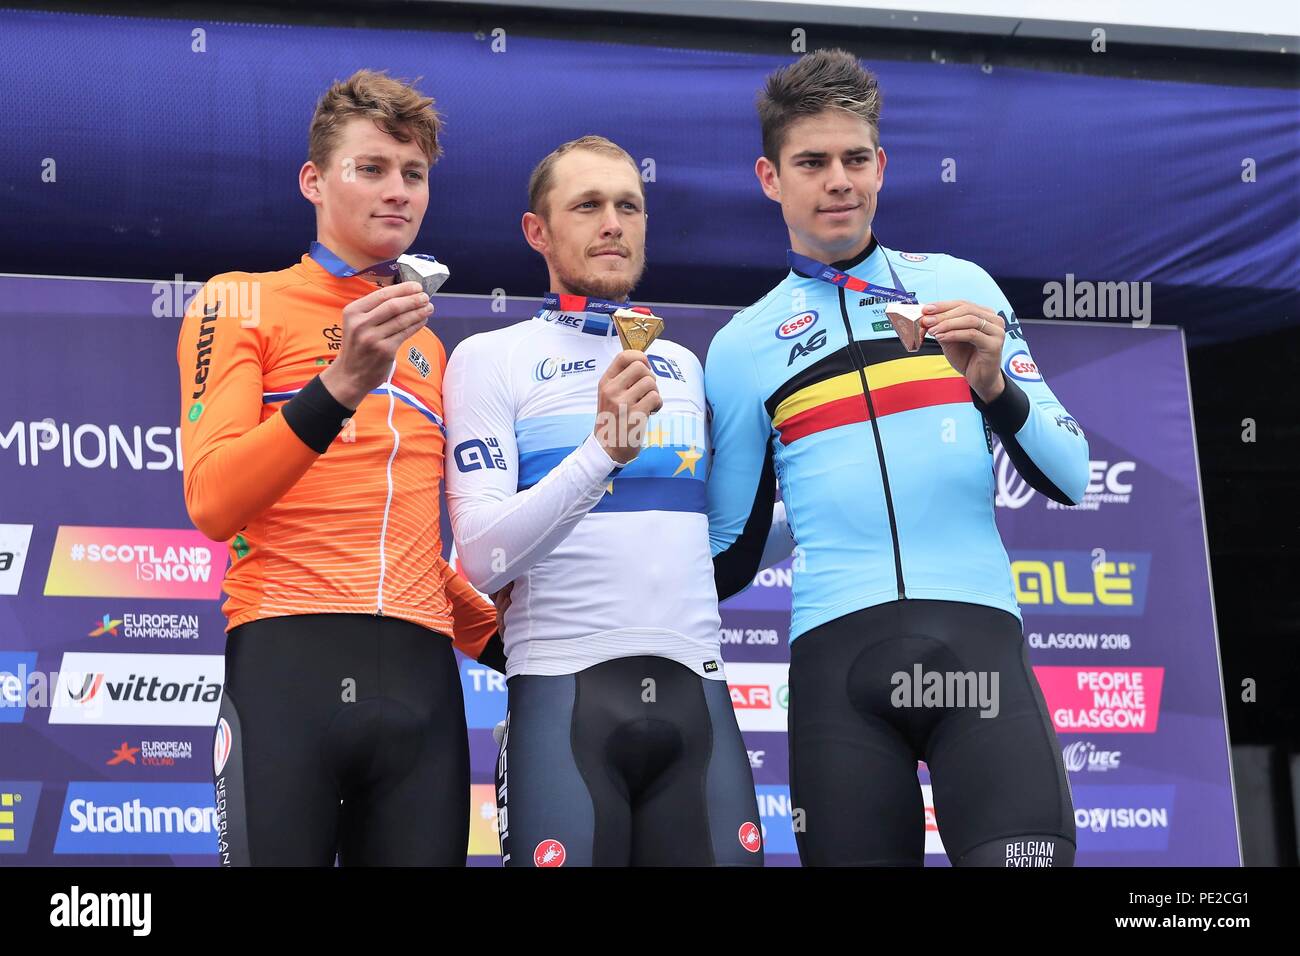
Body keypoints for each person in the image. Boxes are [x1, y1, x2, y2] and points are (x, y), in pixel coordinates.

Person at [706, 50, 1089, 867]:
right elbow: (727, 558)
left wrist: (994, 388)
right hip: (836, 673)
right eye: (812, 162)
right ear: (771, 177)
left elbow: (1071, 476)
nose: (837, 179)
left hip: (978, 655)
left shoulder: (959, 285)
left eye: (854, 159)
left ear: (880, 167)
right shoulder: (740, 348)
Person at [178, 69, 503, 867]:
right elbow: (214, 500)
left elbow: (415, 555)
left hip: (423, 681)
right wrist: (338, 387)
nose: (397, 191)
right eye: (372, 168)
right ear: (313, 181)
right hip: (290, 665)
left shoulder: (429, 346)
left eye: (414, 174)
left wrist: (525, 648)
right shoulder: (241, 300)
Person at [443, 136, 770, 866]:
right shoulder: (492, 358)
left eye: (629, 205)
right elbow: (482, 556)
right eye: (587, 205)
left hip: (699, 691)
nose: (613, 223)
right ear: (538, 231)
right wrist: (600, 455)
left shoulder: (681, 364)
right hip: (563, 693)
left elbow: (723, 538)